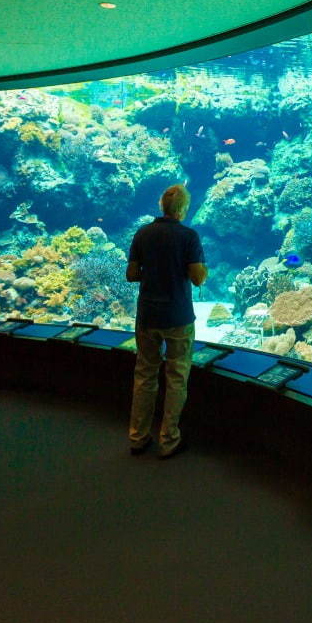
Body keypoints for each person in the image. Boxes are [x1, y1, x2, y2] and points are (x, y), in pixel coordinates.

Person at [125, 183, 206, 458]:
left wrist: (154, 271)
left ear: (162, 206)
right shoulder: (189, 237)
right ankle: (169, 439)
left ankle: (138, 437)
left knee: (145, 374)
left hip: (147, 316)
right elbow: (197, 277)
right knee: (176, 377)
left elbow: (132, 274)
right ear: (182, 209)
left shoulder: (142, 233)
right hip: (178, 317)